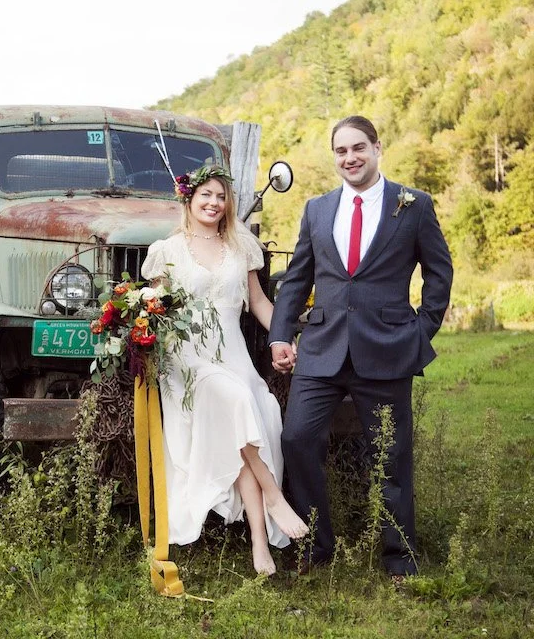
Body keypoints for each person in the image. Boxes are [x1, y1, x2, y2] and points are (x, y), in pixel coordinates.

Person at [270, 115, 453, 578]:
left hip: (387, 347)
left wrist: (420, 332)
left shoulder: (413, 206)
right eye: (340, 151)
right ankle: (315, 544)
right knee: (296, 438)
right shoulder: (317, 209)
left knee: (390, 454)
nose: (349, 158)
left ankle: (399, 557)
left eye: (358, 148)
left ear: (377, 148)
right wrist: (280, 333)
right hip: (322, 347)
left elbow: (439, 274)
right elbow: (298, 279)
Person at [140, 165, 308, 576]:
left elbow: (260, 305)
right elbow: (155, 310)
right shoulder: (169, 251)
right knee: (237, 402)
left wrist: (287, 338)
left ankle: (258, 543)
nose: (214, 203)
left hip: (233, 355)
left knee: (260, 408)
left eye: (221, 196)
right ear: (189, 199)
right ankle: (273, 495)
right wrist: (142, 307)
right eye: (206, 196)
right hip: (188, 359)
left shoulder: (240, 248)